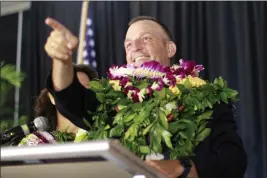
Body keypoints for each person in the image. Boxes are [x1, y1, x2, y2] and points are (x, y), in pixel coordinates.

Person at [44, 16, 247, 178]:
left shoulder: (205, 97)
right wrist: (62, 60)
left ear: (170, 49)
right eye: (129, 44)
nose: (136, 47)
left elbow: (234, 158)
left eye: (146, 38)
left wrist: (184, 168)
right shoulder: (111, 98)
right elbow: (70, 100)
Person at [35, 64, 98, 133]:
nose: (80, 96)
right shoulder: (39, 141)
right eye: (75, 90)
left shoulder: (103, 136)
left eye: (87, 90)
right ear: (52, 97)